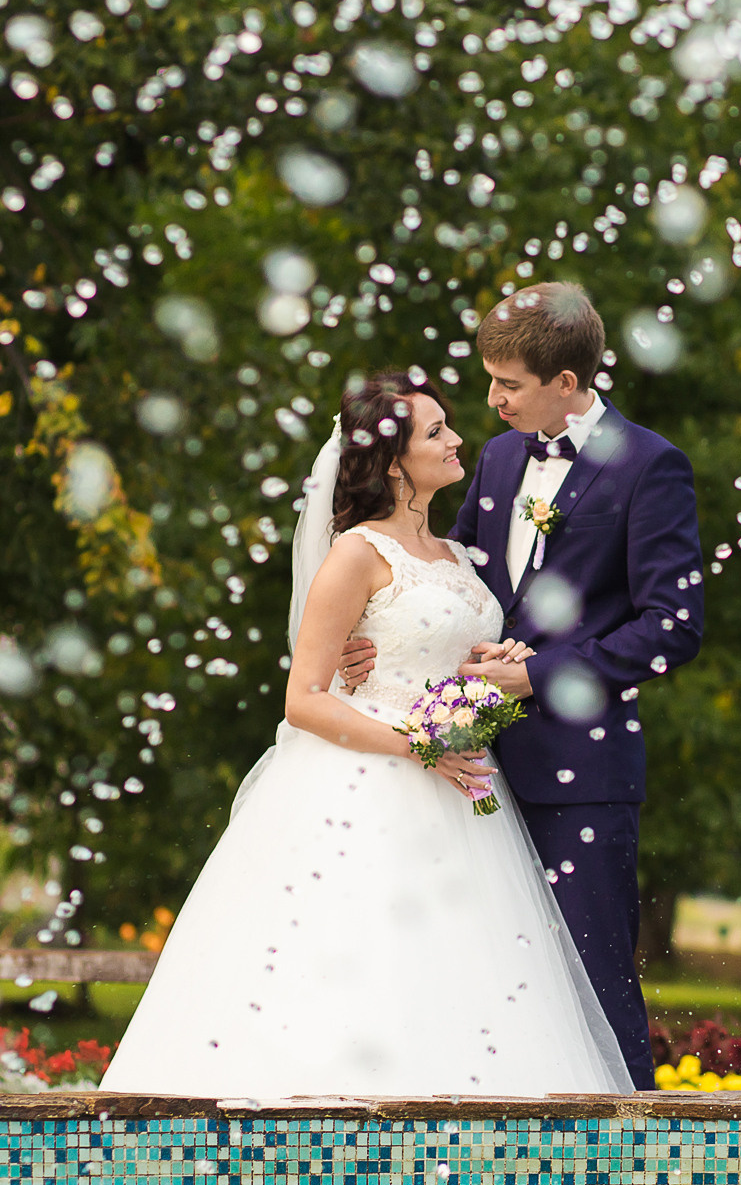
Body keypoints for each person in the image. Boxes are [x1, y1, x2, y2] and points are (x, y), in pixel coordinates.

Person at [100, 372, 627, 1099]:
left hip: (466, 800)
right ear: (392, 463)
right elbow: (304, 700)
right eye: (436, 432)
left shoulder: (457, 555)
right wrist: (421, 745)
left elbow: (442, 649)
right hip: (366, 791)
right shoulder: (356, 553)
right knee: (354, 960)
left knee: (460, 976)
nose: (458, 440)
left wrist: (495, 662)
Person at [446, 281, 706, 1088]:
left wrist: (537, 675)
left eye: (509, 385)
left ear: (567, 381)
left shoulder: (650, 465)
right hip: (473, 770)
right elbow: (457, 577)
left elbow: (673, 626)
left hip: (583, 776)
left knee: (595, 987)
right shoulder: (498, 457)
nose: (493, 401)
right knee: (482, 983)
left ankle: (631, 1155)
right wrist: (377, 630)